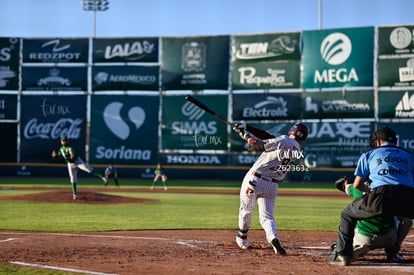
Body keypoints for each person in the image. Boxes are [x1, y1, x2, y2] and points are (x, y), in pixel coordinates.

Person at [329, 126, 414, 266]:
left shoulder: (369, 154)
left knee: (347, 214)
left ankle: (342, 255)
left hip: (381, 194)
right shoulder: (409, 155)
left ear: (379, 142)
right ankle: (393, 250)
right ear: (395, 141)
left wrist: (370, 193)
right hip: (409, 194)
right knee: (406, 218)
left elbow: (356, 185)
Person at [233, 122, 309, 255]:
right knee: (267, 217)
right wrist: (247, 127)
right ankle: (273, 238)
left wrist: (246, 136)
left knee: (246, 210)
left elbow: (256, 145)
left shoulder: (284, 140)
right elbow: (268, 137)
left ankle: (242, 238)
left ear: (292, 130)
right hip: (272, 185)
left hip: (255, 180)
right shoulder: (297, 148)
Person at [333, 178, 412, 262]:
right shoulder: (389, 189)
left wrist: (345, 184)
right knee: (404, 219)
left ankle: (352, 249)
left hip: (364, 237)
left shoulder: (356, 187)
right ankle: (393, 252)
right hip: (388, 238)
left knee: (350, 216)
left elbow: (347, 188)